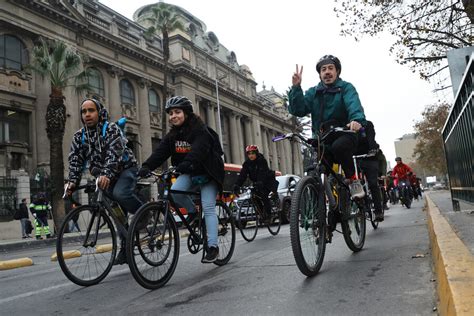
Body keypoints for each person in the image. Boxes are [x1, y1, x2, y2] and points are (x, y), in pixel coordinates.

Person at [138, 96, 224, 263]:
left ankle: (213, 247)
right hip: (190, 172)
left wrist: (186, 164)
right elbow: (161, 152)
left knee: (208, 207)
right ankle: (193, 212)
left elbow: (200, 149)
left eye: (177, 112)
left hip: (209, 172)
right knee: (175, 192)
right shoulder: (173, 135)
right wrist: (146, 166)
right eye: (170, 113)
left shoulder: (200, 130)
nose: (173, 116)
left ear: (187, 113)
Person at [66, 98, 143, 265]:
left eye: (91, 110)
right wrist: (72, 181)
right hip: (103, 177)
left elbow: (114, 154)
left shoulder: (111, 129)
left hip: (125, 169)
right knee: (117, 215)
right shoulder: (79, 136)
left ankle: (144, 213)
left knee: (120, 193)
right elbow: (75, 160)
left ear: (99, 113)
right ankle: (125, 250)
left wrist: (107, 173)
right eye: (84, 111)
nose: (87, 114)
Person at [288, 55, 367, 198]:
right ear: (320, 74)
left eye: (331, 68)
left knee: (339, 146)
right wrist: (296, 88)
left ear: (337, 71)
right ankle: (324, 207)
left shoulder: (346, 88)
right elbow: (298, 110)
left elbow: (353, 105)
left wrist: (355, 120)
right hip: (322, 138)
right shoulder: (313, 92)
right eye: (323, 69)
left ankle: (353, 179)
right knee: (318, 171)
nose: (327, 72)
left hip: (345, 134)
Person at [232, 145, 278, 223]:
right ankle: (261, 214)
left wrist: (260, 182)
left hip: (267, 181)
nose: (251, 155)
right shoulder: (247, 164)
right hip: (257, 182)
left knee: (263, 195)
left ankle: (269, 214)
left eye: (253, 153)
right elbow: (242, 175)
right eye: (249, 154)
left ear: (256, 153)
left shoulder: (262, 160)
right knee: (254, 197)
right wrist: (237, 185)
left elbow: (262, 172)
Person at [354, 121, 384, 221]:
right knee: (353, 182)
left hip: (370, 156)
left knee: (372, 183)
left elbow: (371, 138)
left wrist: (372, 149)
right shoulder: (347, 126)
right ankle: (359, 208)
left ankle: (378, 211)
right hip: (356, 158)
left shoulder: (367, 125)